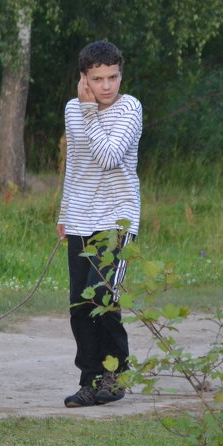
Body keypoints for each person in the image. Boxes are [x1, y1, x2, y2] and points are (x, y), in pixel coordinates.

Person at [57, 40, 142, 408]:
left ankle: (116, 374)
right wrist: (64, 213)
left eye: (112, 77)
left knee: (103, 298)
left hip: (117, 219)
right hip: (80, 219)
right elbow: (75, 165)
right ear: (83, 79)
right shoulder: (72, 109)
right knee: (79, 304)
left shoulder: (130, 108)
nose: (106, 86)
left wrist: (90, 112)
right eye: (98, 79)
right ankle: (90, 379)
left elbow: (108, 157)